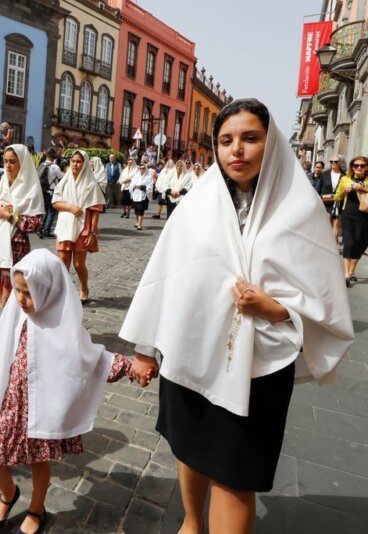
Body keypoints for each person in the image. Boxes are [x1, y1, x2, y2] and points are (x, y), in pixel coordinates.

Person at [122, 98, 354, 534]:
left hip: (258, 367)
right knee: (190, 450)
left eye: (250, 138)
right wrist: (146, 347)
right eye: (226, 140)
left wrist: (276, 308)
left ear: (271, 143)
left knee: (235, 475)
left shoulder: (300, 208)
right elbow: (166, 273)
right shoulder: (198, 203)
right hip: (191, 350)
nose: (237, 150)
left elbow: (322, 291)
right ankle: (192, 523)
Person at [0, 250, 123, 534]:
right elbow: (1, 345)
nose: (21, 299)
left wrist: (131, 367)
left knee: (38, 463)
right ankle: (8, 494)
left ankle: (37, 509)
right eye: (18, 291)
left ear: (48, 291)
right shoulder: (18, 317)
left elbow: (92, 359)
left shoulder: (62, 328)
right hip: (12, 408)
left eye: (29, 293)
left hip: (42, 410)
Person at [0, 144, 44, 306]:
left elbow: (35, 224)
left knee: (8, 294)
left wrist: (10, 217)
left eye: (12, 162)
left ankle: (9, 320)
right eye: (5, 161)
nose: (7, 166)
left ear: (22, 163)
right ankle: (10, 318)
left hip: (17, 246)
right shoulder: (3, 185)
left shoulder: (31, 188)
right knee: (1, 293)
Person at [52, 150, 105, 305]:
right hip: (65, 225)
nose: (75, 164)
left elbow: (95, 210)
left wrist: (93, 233)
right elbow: (55, 202)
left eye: (79, 161)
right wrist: (70, 207)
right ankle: (63, 292)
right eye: (73, 161)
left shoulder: (91, 183)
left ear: (85, 163)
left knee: (78, 264)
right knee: (63, 262)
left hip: (83, 226)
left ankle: (84, 288)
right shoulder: (65, 181)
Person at [333, 156, 368, 287]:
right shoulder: (345, 179)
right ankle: (346, 274)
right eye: (356, 165)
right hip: (348, 214)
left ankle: (352, 271)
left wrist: (363, 188)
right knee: (349, 242)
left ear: (366, 168)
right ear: (352, 167)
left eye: (362, 165)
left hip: (365, 216)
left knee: (360, 243)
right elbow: (337, 196)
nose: (359, 168)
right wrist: (344, 190)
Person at [37, 148, 62, 239]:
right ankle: (46, 230)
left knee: (44, 211)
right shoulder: (55, 167)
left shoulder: (41, 165)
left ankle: (40, 228)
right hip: (51, 191)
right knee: (51, 211)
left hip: (42, 191)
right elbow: (61, 176)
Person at [319, 155, 345, 240]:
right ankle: (327, 242)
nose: (333, 163)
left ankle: (334, 244)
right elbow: (318, 189)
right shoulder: (324, 174)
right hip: (326, 203)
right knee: (327, 225)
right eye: (331, 161)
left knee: (336, 224)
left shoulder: (344, 176)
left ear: (340, 163)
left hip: (338, 203)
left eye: (336, 162)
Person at [129, 162, 152, 231]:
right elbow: (131, 184)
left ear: (146, 169)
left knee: (141, 210)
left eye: (143, 168)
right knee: (136, 210)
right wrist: (133, 186)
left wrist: (141, 186)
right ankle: (137, 222)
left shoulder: (148, 177)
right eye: (140, 168)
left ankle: (139, 224)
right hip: (135, 195)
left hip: (143, 196)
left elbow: (150, 187)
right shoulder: (136, 176)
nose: (142, 169)